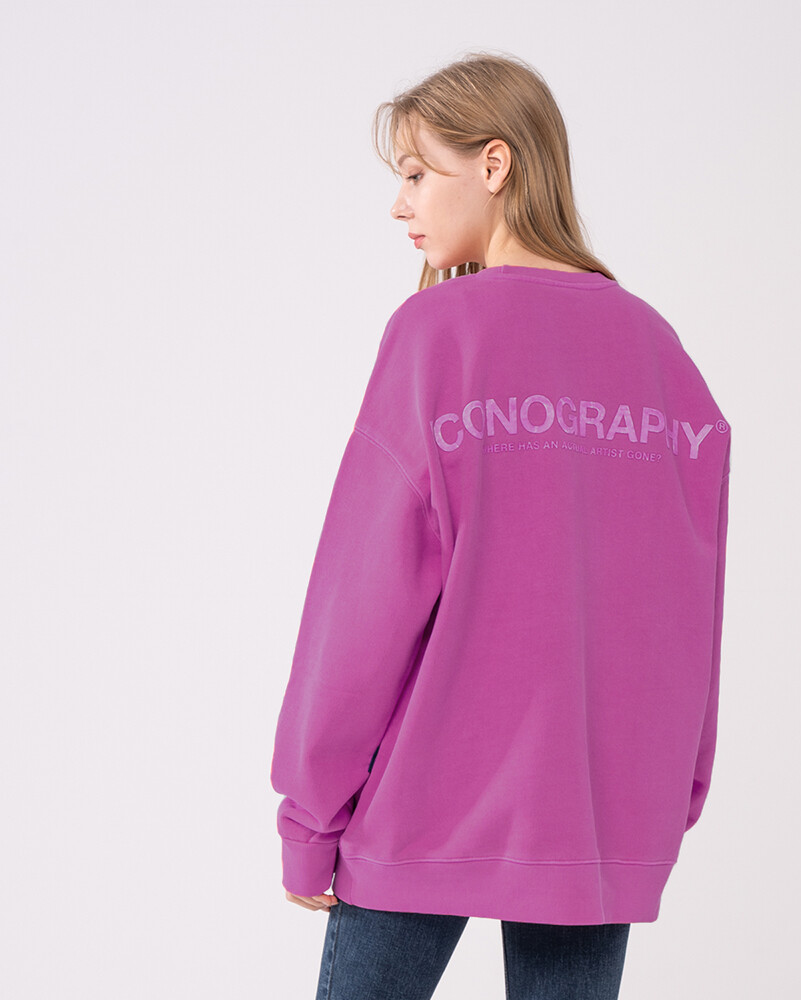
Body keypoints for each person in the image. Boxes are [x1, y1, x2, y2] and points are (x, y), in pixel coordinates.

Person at [270, 50, 732, 1000]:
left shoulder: (437, 335)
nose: (399, 204)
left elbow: (364, 596)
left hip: (423, 806)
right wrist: (671, 787)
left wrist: (309, 817)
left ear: (494, 163)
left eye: (415, 172)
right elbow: (692, 600)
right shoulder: (662, 355)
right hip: (597, 813)